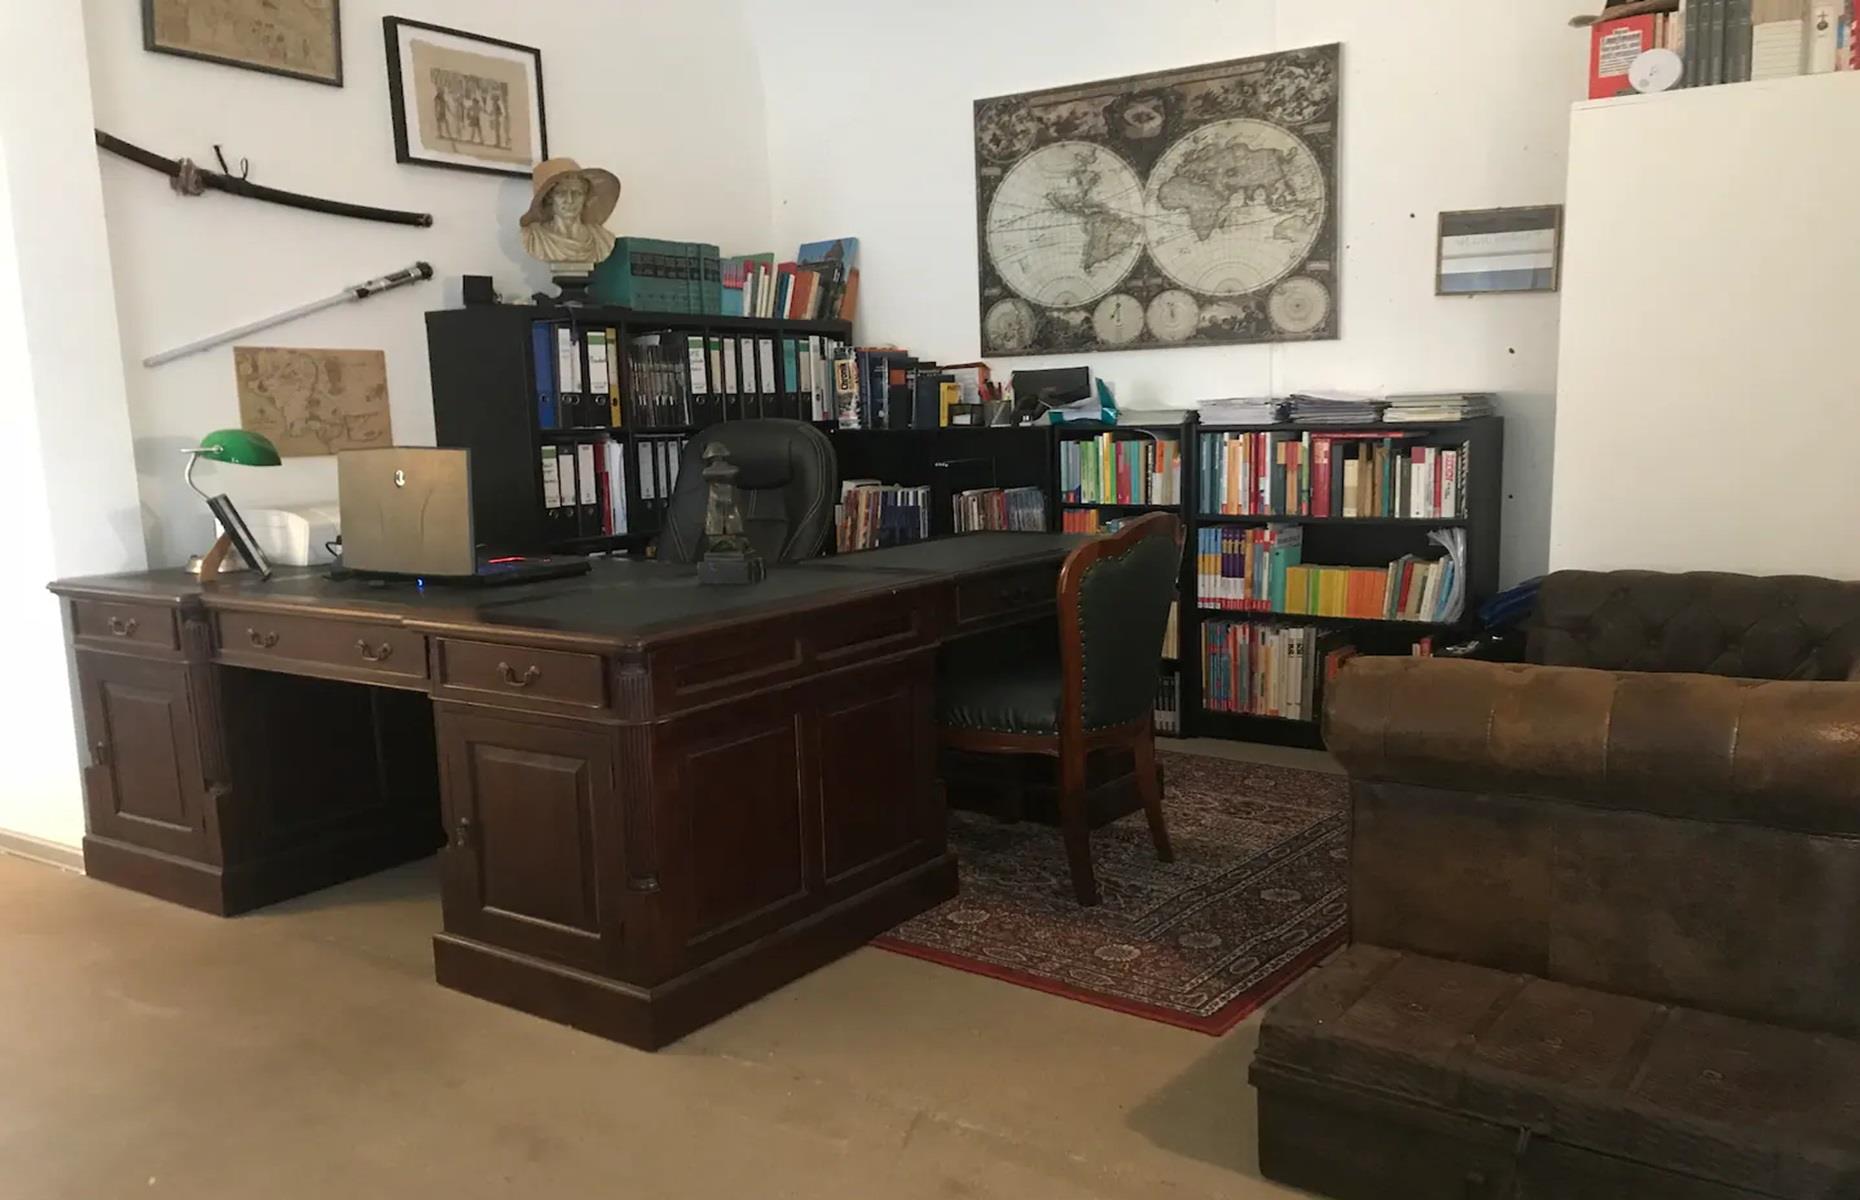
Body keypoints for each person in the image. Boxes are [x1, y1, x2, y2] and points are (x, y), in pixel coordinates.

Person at [519, 158, 621, 268]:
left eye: (577, 193)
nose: (570, 200)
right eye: (561, 193)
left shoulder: (602, 238)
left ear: (585, 197)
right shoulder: (535, 236)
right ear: (549, 197)